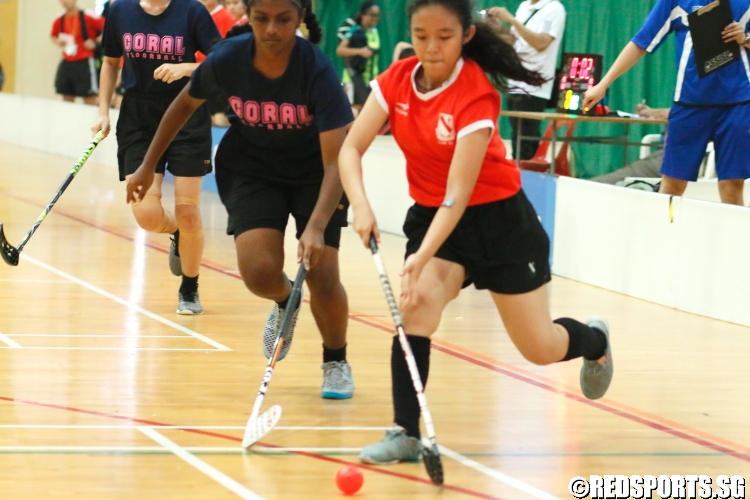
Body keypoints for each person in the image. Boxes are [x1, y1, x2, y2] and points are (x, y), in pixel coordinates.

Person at [339, 0, 613, 464]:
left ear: (465, 35)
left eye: (444, 37)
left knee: (539, 348)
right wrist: (360, 204)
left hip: (500, 223)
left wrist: (420, 256)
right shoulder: (396, 82)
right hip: (433, 217)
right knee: (417, 309)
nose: (431, 48)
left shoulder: (476, 95)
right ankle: (406, 431)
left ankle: (594, 341)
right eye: (421, 35)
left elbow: (457, 194)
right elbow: (350, 147)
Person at [124, 0, 357, 399]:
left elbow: (339, 157)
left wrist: (316, 226)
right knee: (258, 273)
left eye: (283, 19)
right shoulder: (229, 57)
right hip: (252, 168)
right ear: (248, 16)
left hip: (315, 172)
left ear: (300, 18)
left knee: (324, 273)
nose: (271, 30)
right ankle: (287, 299)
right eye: (261, 18)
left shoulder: (316, 68)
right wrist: (148, 165)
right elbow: (183, 105)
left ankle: (335, 360)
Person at [92, 0, 220, 314]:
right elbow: (110, 63)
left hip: (186, 110)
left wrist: (187, 68)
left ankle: (189, 287)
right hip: (138, 117)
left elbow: (223, 59)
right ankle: (177, 232)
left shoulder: (192, 11)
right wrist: (103, 111)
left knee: (188, 210)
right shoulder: (120, 11)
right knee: (146, 214)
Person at [583, 0, 750, 206]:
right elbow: (641, 41)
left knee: (732, 185)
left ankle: (735, 238)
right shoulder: (675, 2)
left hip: (738, 103)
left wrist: (745, 38)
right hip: (690, 104)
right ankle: (661, 236)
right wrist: (603, 84)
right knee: (672, 184)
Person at [485, 0, 565, 161]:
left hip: (534, 85)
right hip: (514, 81)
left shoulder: (554, 8)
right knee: (519, 138)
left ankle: (525, 181)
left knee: (525, 142)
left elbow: (541, 42)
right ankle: (526, 177)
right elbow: (514, 41)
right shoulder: (524, 6)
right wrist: (495, 28)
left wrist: (512, 20)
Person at [590, 104, 669, 184]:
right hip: (665, 153)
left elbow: (674, 113)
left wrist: (651, 112)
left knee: (602, 183)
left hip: (672, 159)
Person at [50, 0, 106, 105]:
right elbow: (53, 35)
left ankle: (93, 119)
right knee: (66, 93)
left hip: (84, 60)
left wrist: (96, 41)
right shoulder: (59, 19)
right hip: (67, 60)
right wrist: (58, 42)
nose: (65, 2)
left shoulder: (87, 15)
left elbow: (109, 27)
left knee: (89, 95)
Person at [336, 1, 382, 110]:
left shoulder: (374, 31)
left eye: (377, 15)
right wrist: (360, 51)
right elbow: (340, 50)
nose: (375, 18)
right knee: (355, 111)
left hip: (371, 80)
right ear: (363, 15)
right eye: (372, 14)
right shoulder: (354, 30)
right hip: (354, 78)